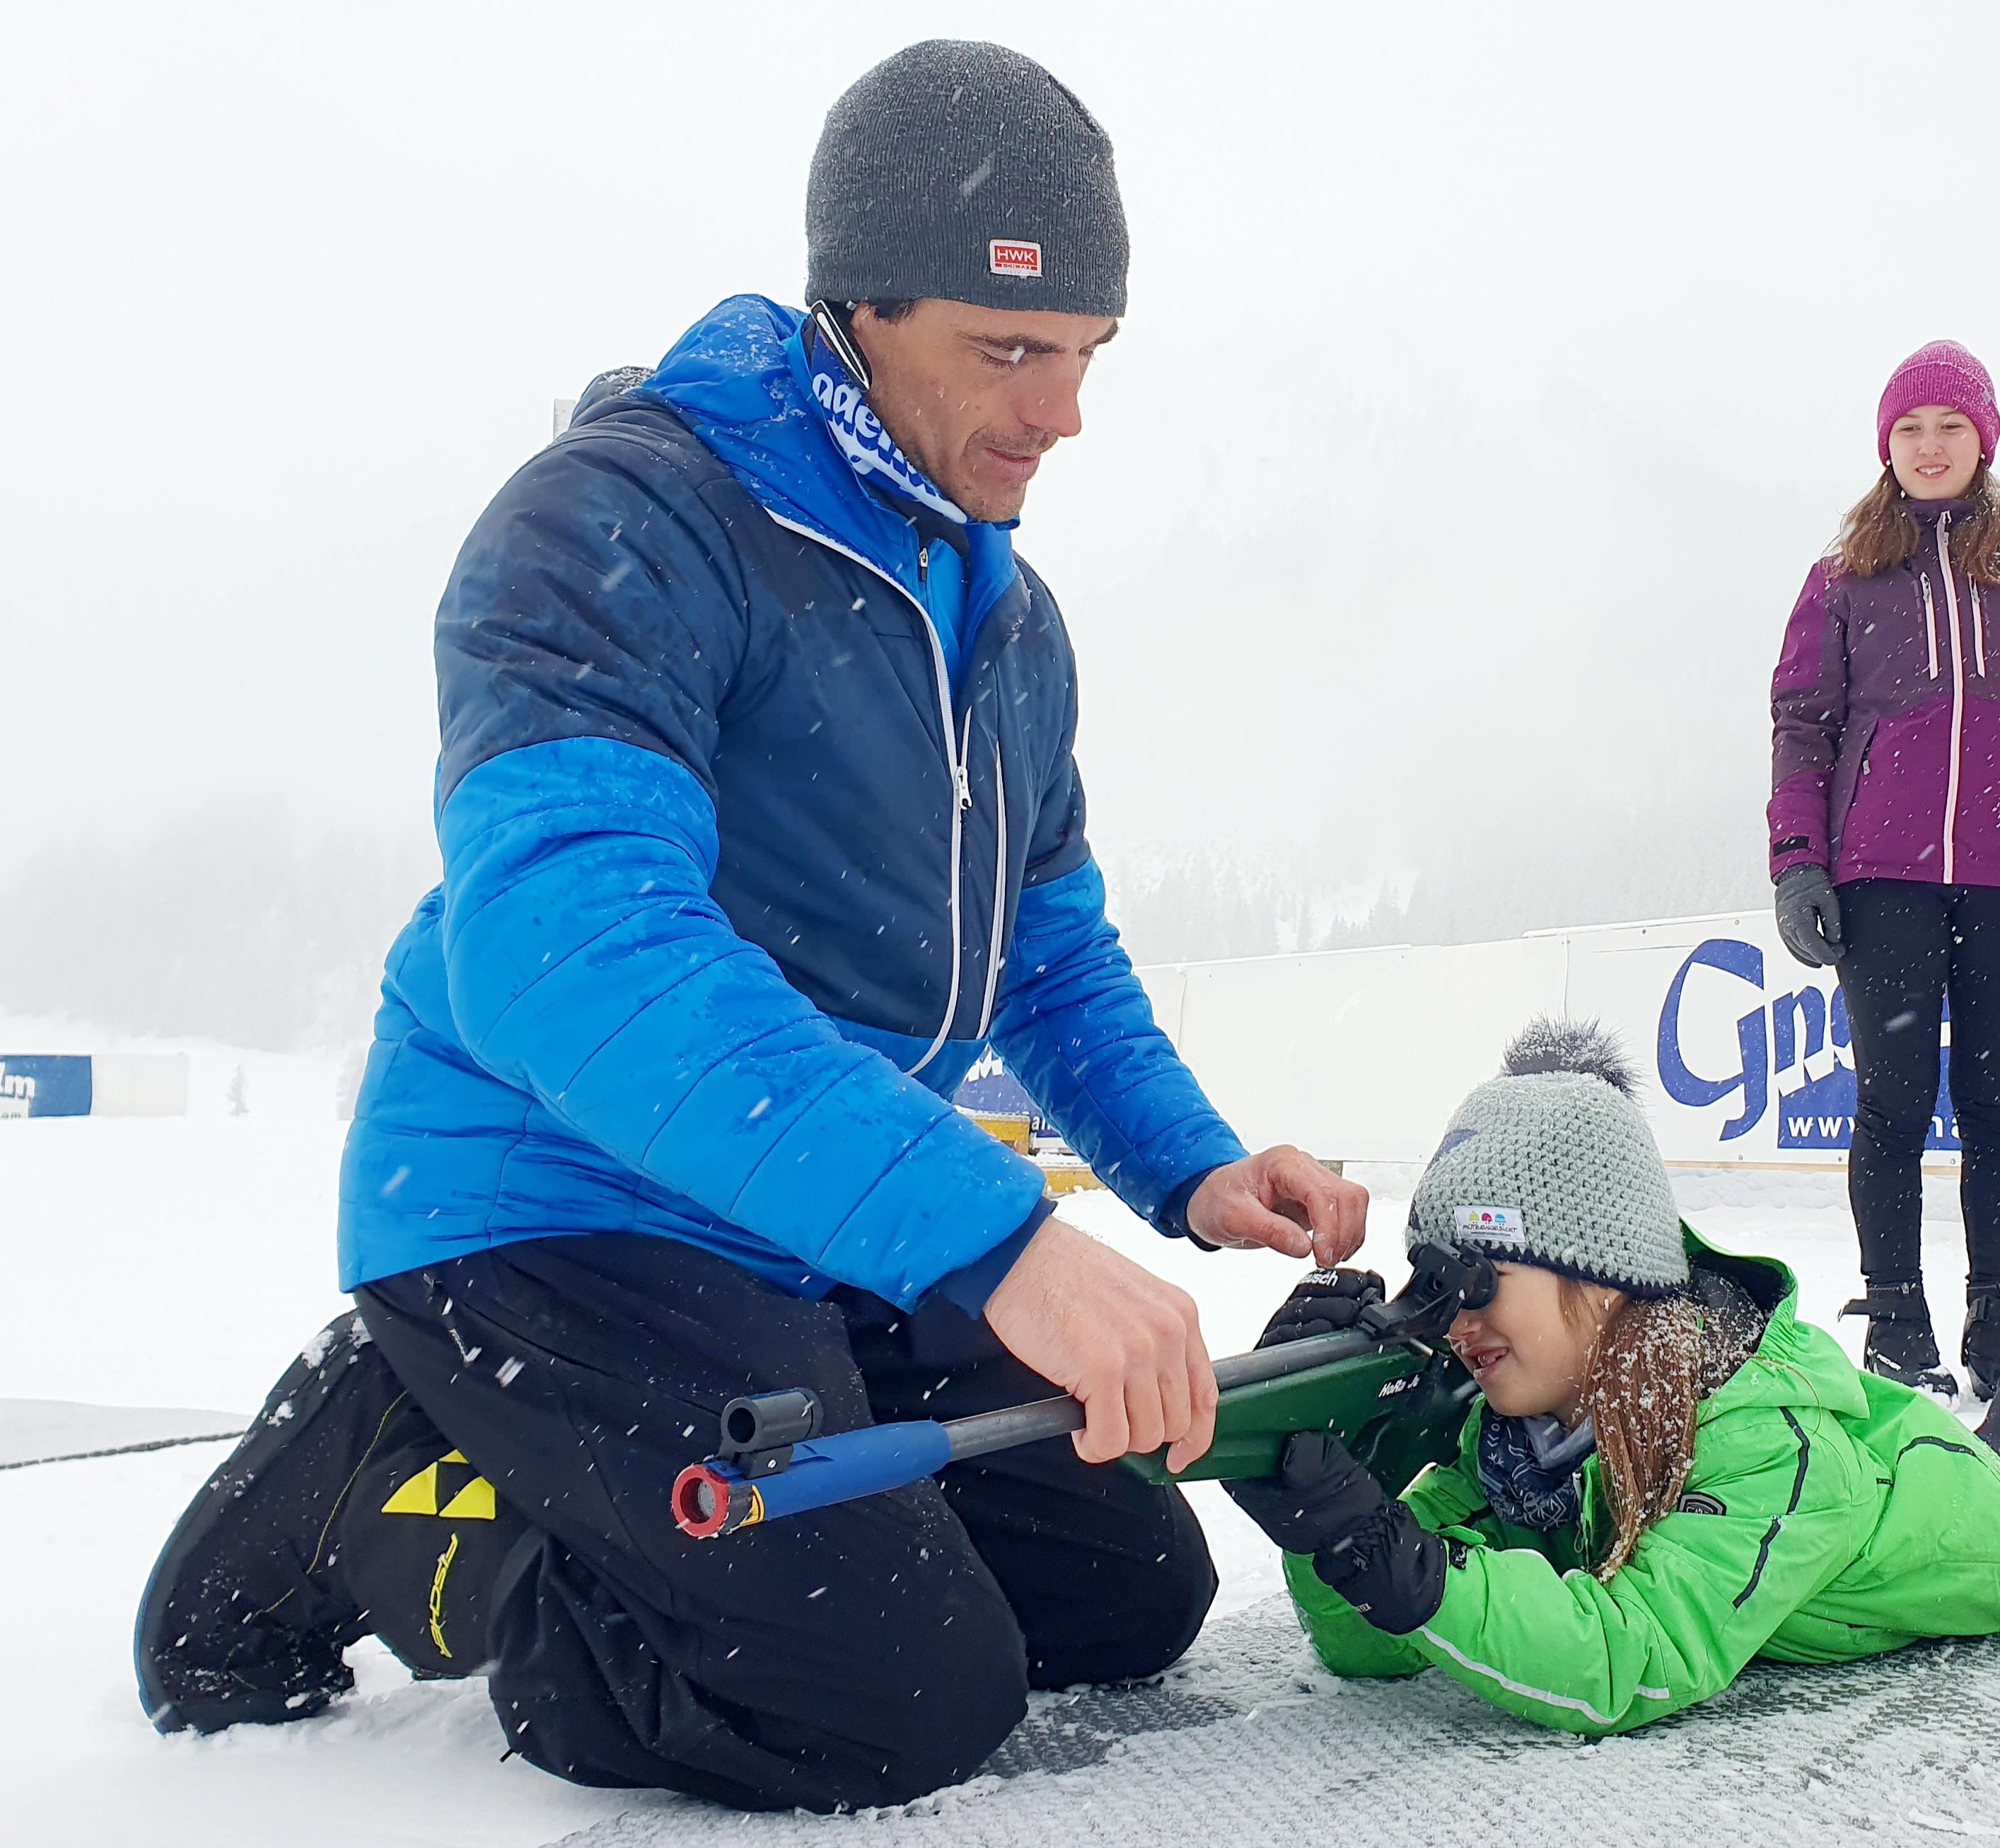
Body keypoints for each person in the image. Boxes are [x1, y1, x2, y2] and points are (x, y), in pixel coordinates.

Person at [132, 42, 1366, 1812]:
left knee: (1124, 1591)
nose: (1064, 413)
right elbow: (572, 954)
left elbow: (1047, 955)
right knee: (891, 1696)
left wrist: (1195, 1166)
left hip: (805, 1221)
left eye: (1090, 354)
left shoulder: (1009, 626)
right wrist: (996, 1241)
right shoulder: (623, 525)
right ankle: (406, 1486)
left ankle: (733, 1484)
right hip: (555, 1209)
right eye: (1008, 349)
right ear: (859, 309)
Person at [1223, 1021, 2000, 1737]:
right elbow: (1375, 1644)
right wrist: (1336, 1518)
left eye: (1479, 1280)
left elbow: (1638, 1654)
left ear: (1604, 1273)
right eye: (1434, 1285)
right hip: (1851, 1483)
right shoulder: (1518, 1445)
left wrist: (1412, 1568)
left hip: (1946, 1521)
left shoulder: (1762, 1446)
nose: (1455, 1324)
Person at [1767, 341, 2000, 1398]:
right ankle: (1896, 1318)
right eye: (1911, 429)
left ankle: (1998, 1315)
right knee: (1892, 1104)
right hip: (1883, 879)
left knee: (1999, 1108)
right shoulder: (1844, 579)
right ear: (1888, 446)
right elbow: (1803, 729)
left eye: (1951, 427)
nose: (1930, 447)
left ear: (1984, 441)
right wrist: (1799, 863)